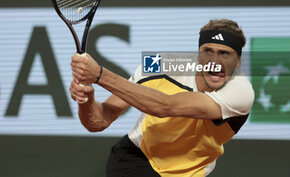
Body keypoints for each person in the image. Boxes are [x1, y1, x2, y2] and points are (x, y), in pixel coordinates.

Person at [70, 19, 255, 177]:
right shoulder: (159, 65)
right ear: (198, 54)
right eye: (208, 51)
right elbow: (98, 122)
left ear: (238, 61)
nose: (215, 62)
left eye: (225, 54)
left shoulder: (241, 92)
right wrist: (86, 99)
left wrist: (100, 75)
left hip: (191, 172)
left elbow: (166, 107)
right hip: (137, 161)